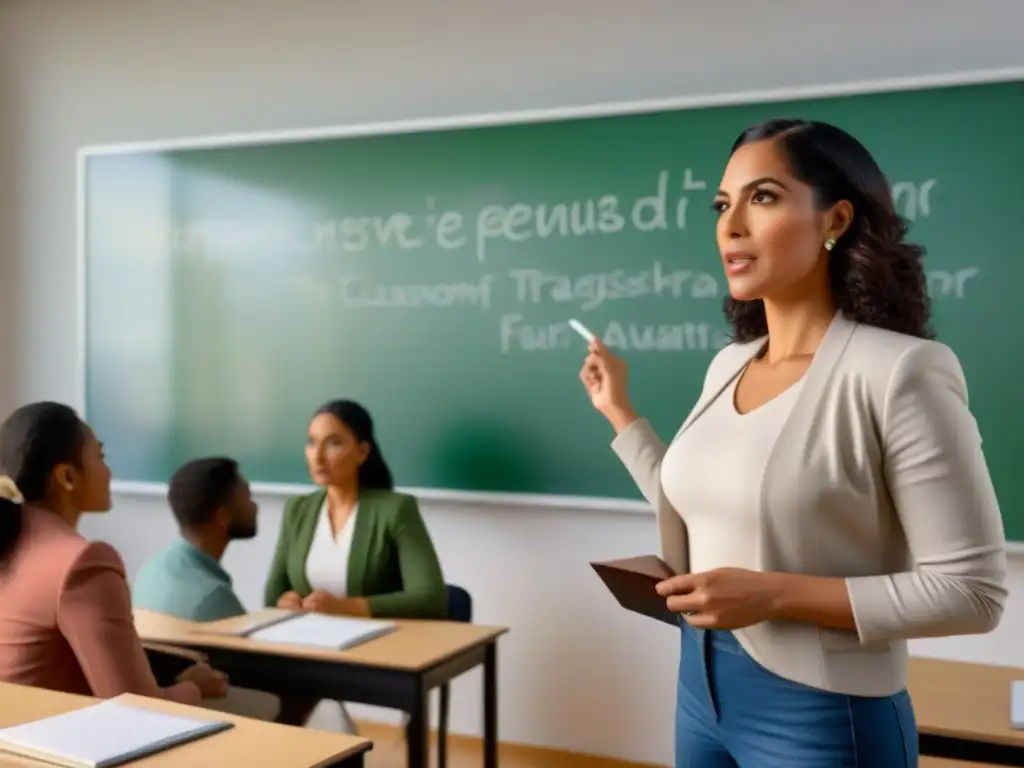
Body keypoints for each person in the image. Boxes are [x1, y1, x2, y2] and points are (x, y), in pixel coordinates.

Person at [580, 118, 1007, 768]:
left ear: (835, 220)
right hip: (701, 686)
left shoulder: (900, 372)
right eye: (723, 205)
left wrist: (774, 594)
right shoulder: (729, 365)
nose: (730, 224)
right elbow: (708, 501)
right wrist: (621, 414)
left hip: (821, 710)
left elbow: (973, 592)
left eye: (764, 197)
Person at [0, 401, 228, 705]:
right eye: (101, 456)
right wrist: (193, 687)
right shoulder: (83, 562)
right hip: (64, 745)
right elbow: (136, 710)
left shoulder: (13, 543)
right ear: (67, 477)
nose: (109, 471)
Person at [263, 399, 447, 730]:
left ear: (362, 452)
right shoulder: (298, 510)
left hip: (375, 651)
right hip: (309, 646)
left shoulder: (395, 510)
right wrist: (285, 601)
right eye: (311, 442)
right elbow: (273, 592)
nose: (317, 456)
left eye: (333, 442)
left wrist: (344, 607)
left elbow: (431, 597)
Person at [132, 457, 282, 723]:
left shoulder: (149, 569)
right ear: (222, 517)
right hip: (202, 709)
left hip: (162, 703)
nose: (255, 506)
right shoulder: (212, 596)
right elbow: (261, 667)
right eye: (248, 497)